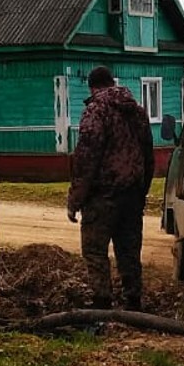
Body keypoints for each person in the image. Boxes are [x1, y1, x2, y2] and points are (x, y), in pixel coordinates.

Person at [67, 66, 155, 311]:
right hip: (133, 193)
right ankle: (133, 301)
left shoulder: (95, 111)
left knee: (95, 251)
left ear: (92, 87)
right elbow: (149, 157)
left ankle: (101, 302)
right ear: (112, 82)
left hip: (102, 195)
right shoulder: (138, 112)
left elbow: (86, 159)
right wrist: (142, 192)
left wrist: (75, 199)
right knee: (129, 250)